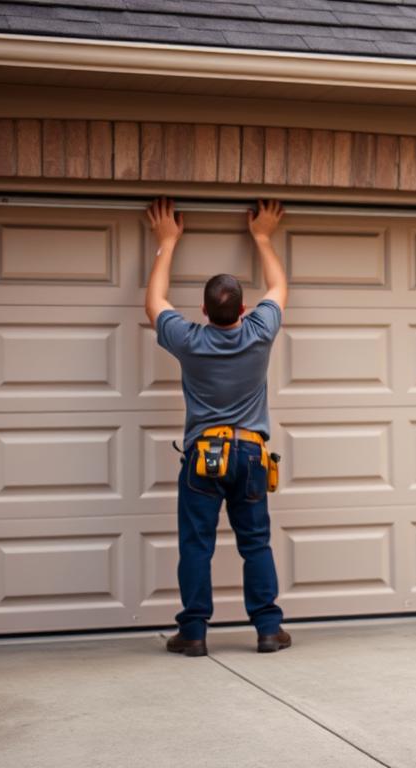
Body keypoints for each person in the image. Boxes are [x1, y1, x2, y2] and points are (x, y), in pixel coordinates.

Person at [145, 197, 292, 657]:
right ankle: (268, 629)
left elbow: (154, 301)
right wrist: (263, 237)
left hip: (204, 456)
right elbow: (280, 284)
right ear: (244, 308)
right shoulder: (259, 331)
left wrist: (166, 242)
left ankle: (193, 633)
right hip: (249, 455)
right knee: (255, 544)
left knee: (196, 546)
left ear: (204, 313)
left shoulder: (188, 340)